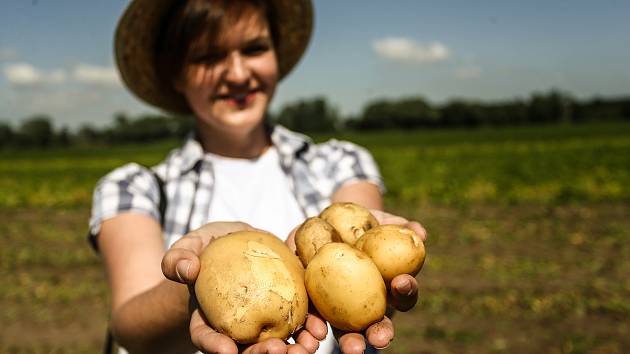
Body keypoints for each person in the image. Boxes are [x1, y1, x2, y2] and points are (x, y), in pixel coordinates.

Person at [88, 0, 427, 353]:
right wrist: (201, 280)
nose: (237, 74)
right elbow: (129, 327)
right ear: (176, 74)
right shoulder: (134, 188)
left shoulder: (341, 161)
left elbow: (361, 281)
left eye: (254, 49)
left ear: (276, 56)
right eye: (208, 57)